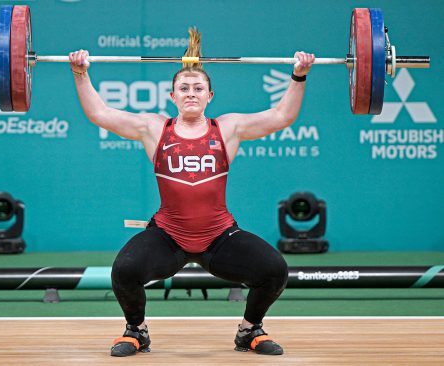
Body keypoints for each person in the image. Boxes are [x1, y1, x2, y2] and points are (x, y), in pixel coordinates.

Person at [69, 28, 314, 357]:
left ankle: (249, 329)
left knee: (274, 271)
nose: (191, 93)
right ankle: (136, 331)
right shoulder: (155, 128)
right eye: (183, 88)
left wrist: (298, 76)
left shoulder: (228, 128)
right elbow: (100, 114)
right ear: (172, 96)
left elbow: (282, 116)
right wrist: (80, 73)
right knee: (124, 269)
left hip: (219, 237)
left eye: (198, 88)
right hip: (169, 236)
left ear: (210, 95)